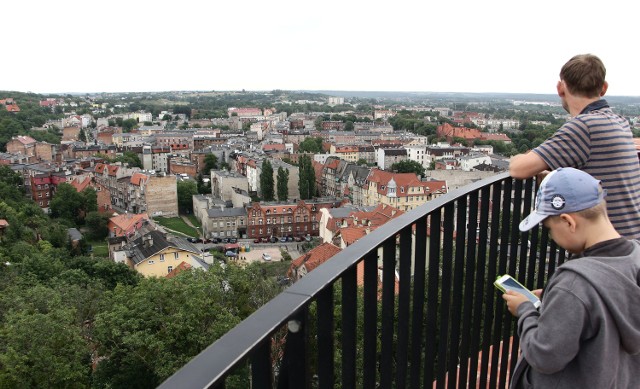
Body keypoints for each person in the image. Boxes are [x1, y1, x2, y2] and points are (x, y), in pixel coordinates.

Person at [502, 168, 640, 388]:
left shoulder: (574, 284)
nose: (551, 236)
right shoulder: (635, 255)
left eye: (549, 228)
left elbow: (543, 355)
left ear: (568, 222)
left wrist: (525, 310)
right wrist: (553, 301)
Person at [509, 53, 640, 239]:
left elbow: (518, 169)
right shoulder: (619, 121)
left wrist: (531, 157)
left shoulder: (584, 126)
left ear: (560, 88)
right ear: (604, 88)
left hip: (609, 251)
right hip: (630, 245)